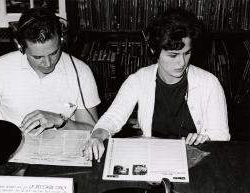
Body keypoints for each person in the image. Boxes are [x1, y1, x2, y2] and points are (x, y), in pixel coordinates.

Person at [82, 8, 230, 162]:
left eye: (187, 53)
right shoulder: (138, 80)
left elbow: (221, 137)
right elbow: (113, 118)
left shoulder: (209, 84)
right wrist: (97, 136)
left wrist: (205, 140)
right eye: (173, 55)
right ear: (154, 50)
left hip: (196, 162)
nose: (182, 62)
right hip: (153, 159)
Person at [0, 7, 100, 135]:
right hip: (15, 152)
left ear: (61, 40)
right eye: (37, 57)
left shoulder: (82, 72)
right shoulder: (0, 67)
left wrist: (61, 121)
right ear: (20, 46)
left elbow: (92, 130)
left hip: (63, 154)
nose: (48, 63)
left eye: (54, 53)